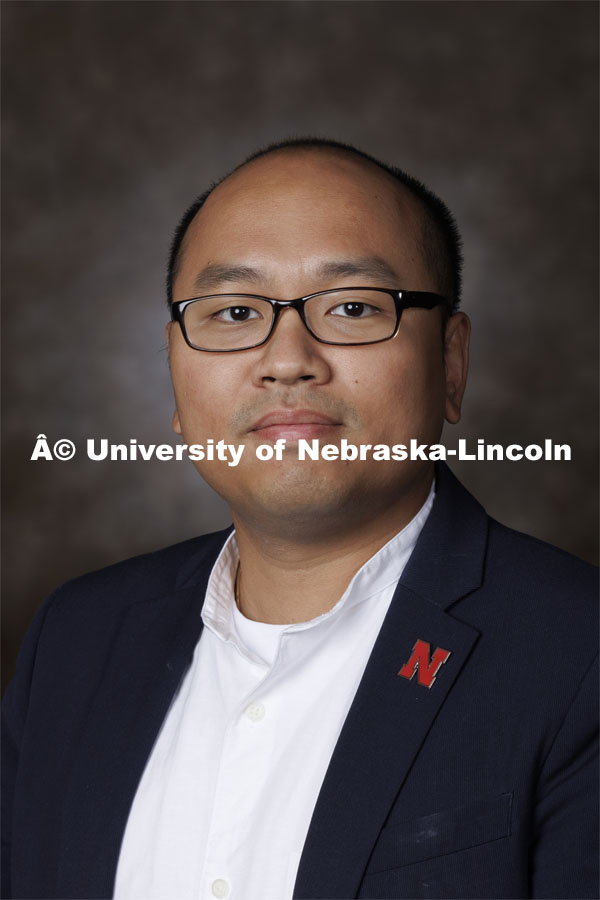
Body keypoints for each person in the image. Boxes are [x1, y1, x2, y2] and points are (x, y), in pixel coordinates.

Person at [2, 138, 597, 900]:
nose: (287, 359)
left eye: (351, 307)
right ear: (175, 379)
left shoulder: (578, 655)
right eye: (234, 311)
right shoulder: (77, 641)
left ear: (451, 365)